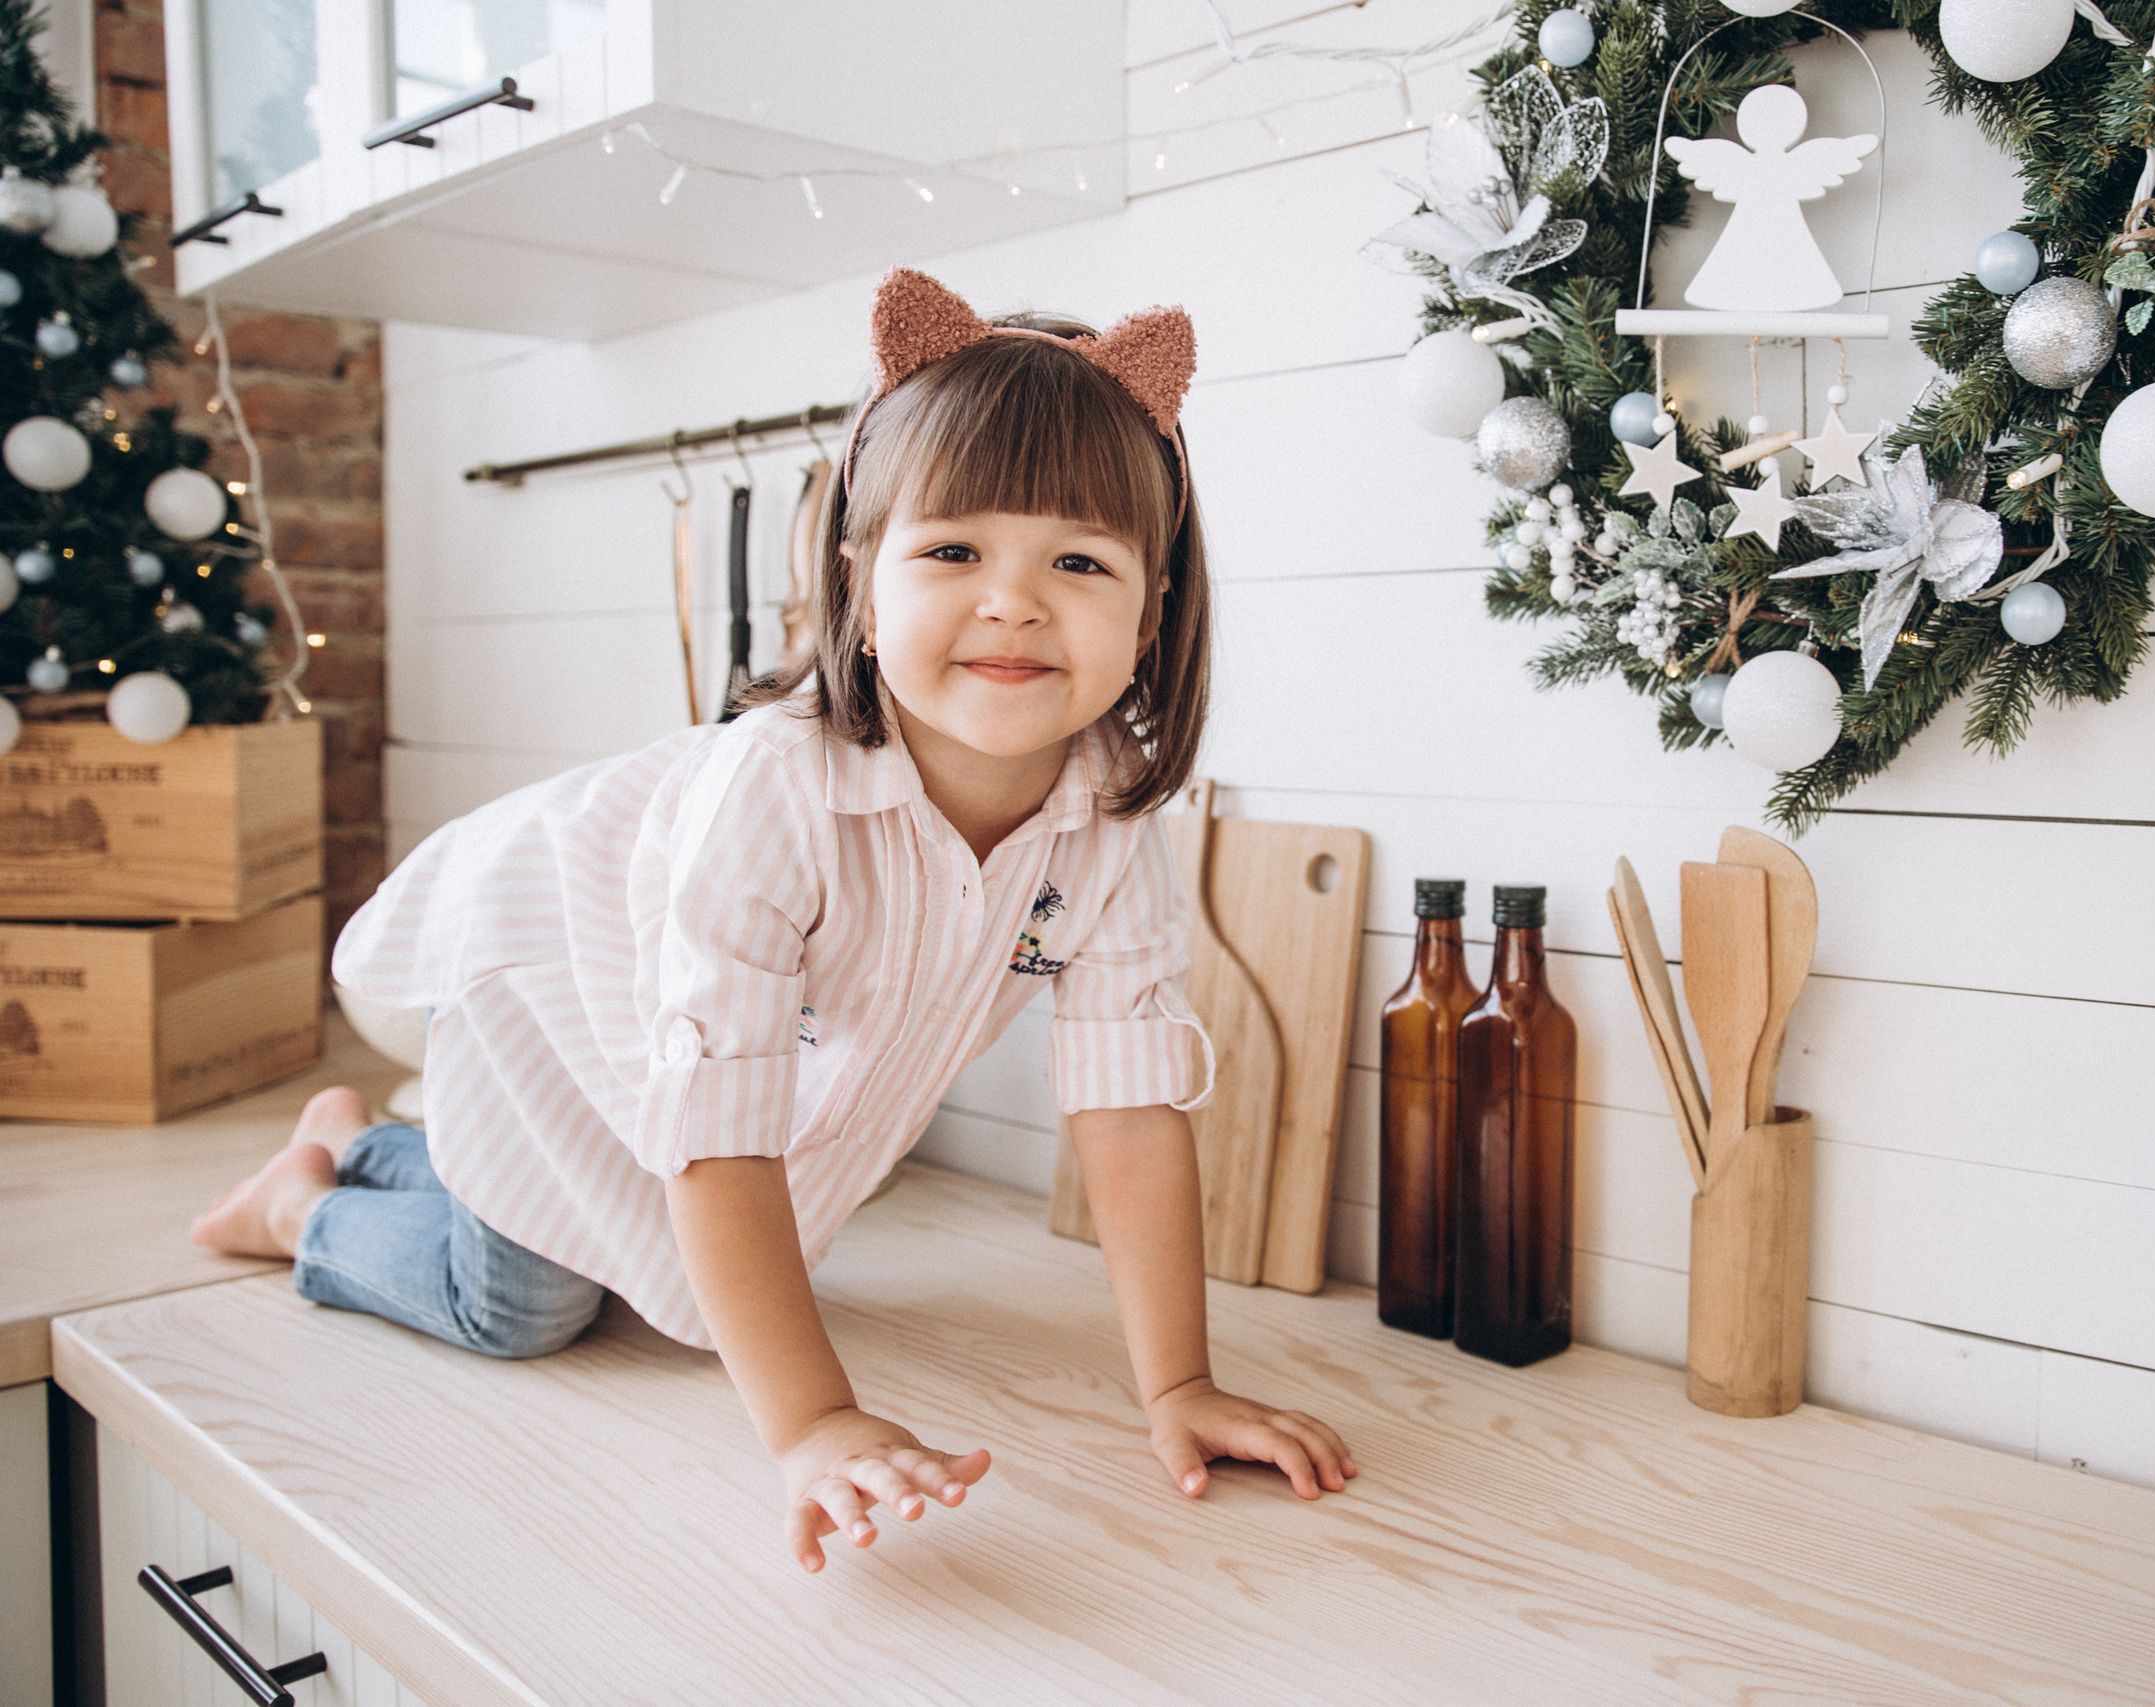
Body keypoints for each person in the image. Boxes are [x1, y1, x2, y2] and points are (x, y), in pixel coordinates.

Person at [190, 268, 1355, 1571]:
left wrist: (1177, 1386)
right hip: (556, 994)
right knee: (526, 1305)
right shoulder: (777, 793)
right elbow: (717, 1138)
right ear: (863, 583)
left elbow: (1131, 1112)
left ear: (1152, 615)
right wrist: (813, 1425)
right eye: (954, 551)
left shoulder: (1110, 821)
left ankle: (366, 1147)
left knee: (690, 1295)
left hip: (696, 1067)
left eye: (1078, 562)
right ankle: (306, 1207)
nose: (1013, 602)